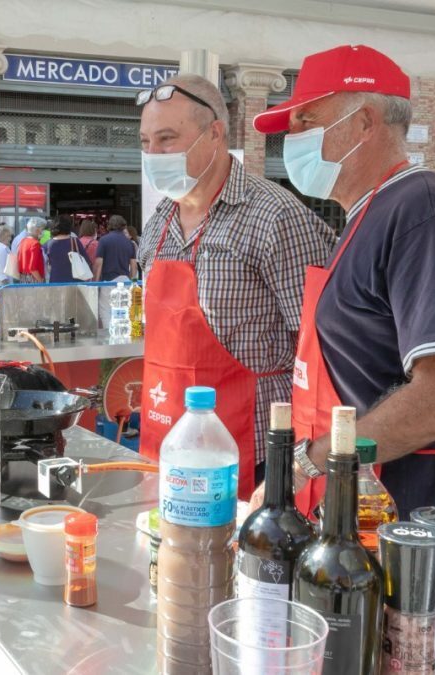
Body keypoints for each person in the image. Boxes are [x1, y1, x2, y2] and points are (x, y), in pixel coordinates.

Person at [250, 45, 435, 560]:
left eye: (305, 121)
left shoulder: (423, 213)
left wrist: (312, 461)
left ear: (364, 121)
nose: (290, 140)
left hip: (410, 519)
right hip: (360, 503)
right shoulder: (371, 211)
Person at [136, 73, 335, 500]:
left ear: (214, 133)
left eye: (167, 139)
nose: (154, 154)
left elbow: (320, 348)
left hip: (253, 446)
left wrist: (307, 458)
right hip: (167, 434)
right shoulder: (157, 225)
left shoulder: (275, 217)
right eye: (145, 142)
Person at [46, 214, 91, 283]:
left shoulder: (48, 244)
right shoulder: (75, 241)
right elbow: (87, 260)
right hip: (75, 282)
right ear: (68, 227)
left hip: (55, 282)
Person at [93, 215, 138, 281]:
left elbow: (98, 263)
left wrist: (95, 284)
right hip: (124, 282)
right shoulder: (130, 243)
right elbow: (134, 266)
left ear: (109, 225)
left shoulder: (103, 240)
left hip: (108, 282)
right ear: (123, 226)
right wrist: (132, 283)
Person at [16, 218, 46, 283]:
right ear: (37, 230)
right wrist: (41, 281)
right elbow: (32, 268)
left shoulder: (23, 241)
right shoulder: (35, 244)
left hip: (23, 277)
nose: (43, 231)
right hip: (34, 279)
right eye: (42, 229)